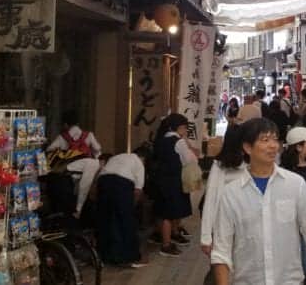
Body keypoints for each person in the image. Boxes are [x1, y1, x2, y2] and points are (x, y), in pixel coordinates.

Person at [210, 118, 306, 285]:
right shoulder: (232, 194)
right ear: (247, 147)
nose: (273, 145)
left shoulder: (295, 184)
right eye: (265, 140)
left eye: (275, 139)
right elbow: (221, 251)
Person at [200, 124, 247, 283]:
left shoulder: (252, 164)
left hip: (246, 227)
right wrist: (206, 237)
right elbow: (211, 200)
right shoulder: (219, 165)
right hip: (222, 226)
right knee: (219, 270)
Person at [152, 113, 199, 257]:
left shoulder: (160, 139)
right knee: (170, 212)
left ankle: (164, 235)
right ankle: (166, 245)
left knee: (162, 211)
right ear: (179, 127)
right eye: (185, 128)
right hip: (173, 180)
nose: (186, 131)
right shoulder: (178, 141)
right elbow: (189, 160)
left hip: (159, 179)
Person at [96, 150, 148, 268]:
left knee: (105, 220)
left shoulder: (117, 157)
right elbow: (138, 190)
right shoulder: (139, 163)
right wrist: (131, 206)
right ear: (142, 158)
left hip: (103, 182)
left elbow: (100, 175)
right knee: (126, 222)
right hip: (121, 184)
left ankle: (103, 257)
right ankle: (132, 258)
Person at [66, 153, 111, 220]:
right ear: (103, 161)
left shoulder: (94, 164)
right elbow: (84, 187)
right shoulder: (94, 165)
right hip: (63, 178)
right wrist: (79, 209)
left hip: (68, 178)